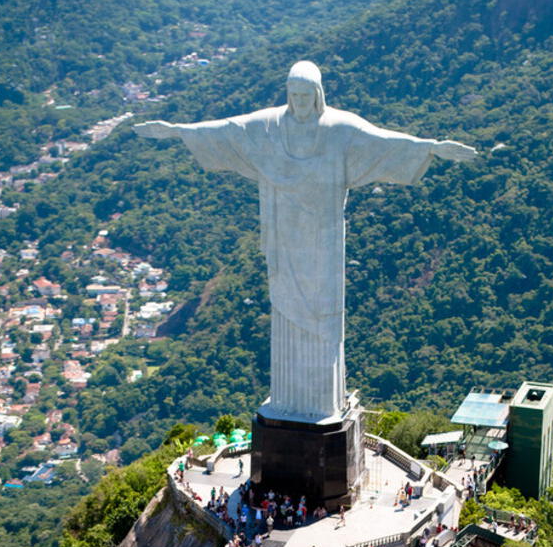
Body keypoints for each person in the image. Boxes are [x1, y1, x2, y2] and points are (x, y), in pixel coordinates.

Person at [135, 61, 476, 422]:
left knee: (323, 312)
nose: (298, 103)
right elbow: (227, 130)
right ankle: (287, 402)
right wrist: (177, 131)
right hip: (284, 236)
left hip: (324, 241)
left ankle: (321, 403)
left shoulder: (340, 129)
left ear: (318, 95)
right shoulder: (269, 126)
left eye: (305, 96)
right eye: (293, 95)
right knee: (284, 309)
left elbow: (383, 141)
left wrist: (431, 148)